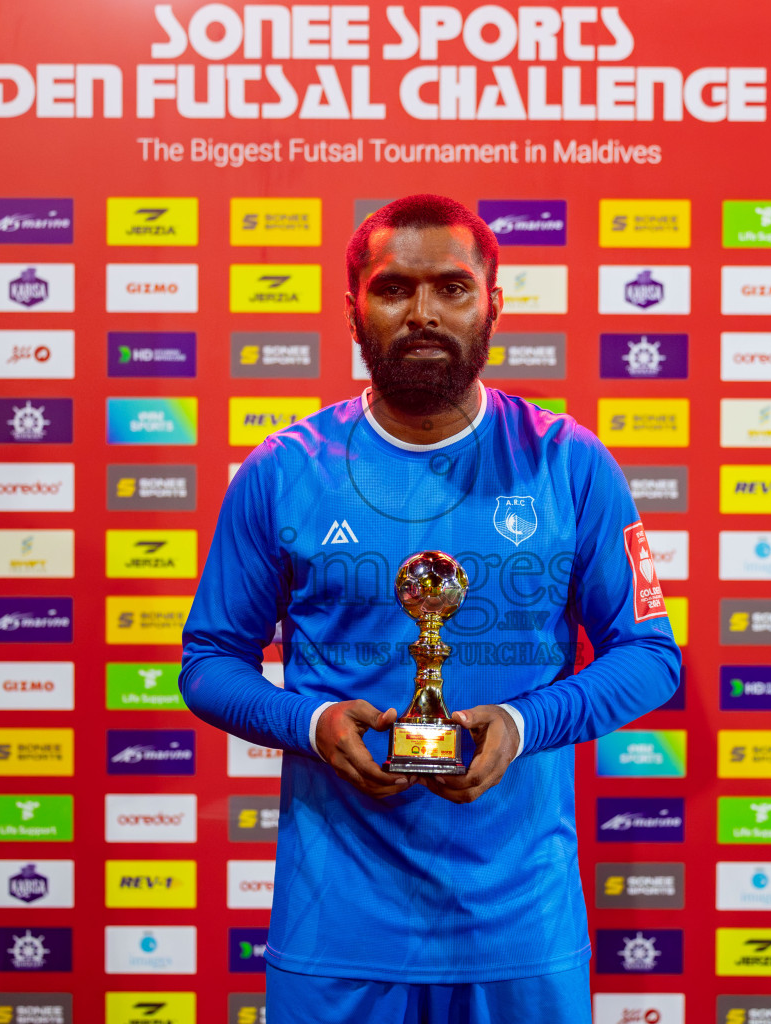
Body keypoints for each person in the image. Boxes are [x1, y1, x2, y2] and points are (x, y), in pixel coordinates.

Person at [180, 193, 680, 1024]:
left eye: (451, 287)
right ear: (352, 310)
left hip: (519, 922)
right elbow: (209, 665)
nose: (422, 313)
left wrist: (522, 726)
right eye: (392, 289)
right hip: (336, 923)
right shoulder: (280, 470)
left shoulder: (571, 463)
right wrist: (314, 725)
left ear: (493, 305)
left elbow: (650, 655)